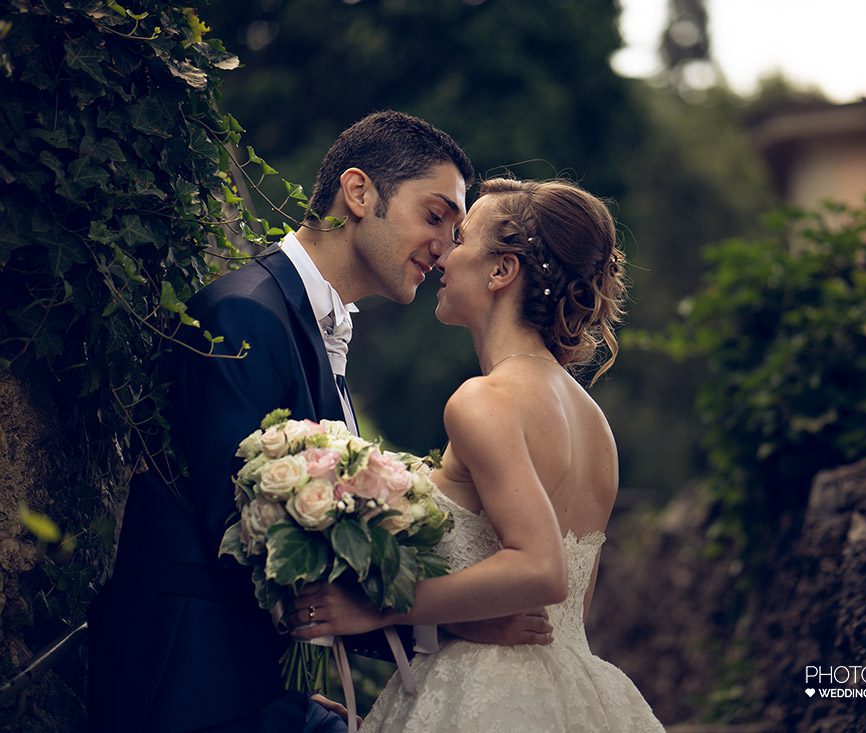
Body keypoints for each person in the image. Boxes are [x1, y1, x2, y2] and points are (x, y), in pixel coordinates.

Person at [85, 112, 548, 733]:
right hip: (190, 688)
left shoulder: (307, 322)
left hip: (253, 690)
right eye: (435, 215)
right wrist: (443, 622)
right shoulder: (245, 314)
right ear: (359, 193)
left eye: (457, 230)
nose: (444, 249)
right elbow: (246, 538)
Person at [290, 178, 665, 731]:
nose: (443, 254)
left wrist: (374, 610)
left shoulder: (483, 401)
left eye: (461, 238)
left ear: (501, 271)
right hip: (577, 692)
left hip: (485, 696)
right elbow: (567, 618)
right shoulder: (594, 424)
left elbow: (542, 569)